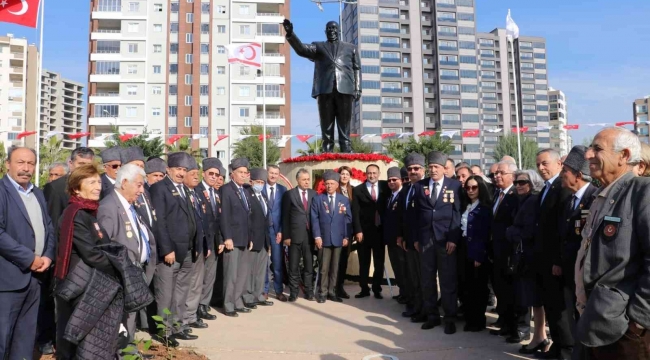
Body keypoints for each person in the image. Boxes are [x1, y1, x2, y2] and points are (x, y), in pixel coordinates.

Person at [576, 127, 650, 359]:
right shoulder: (601, 196)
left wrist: (637, 321)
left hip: (624, 331)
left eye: (597, 149)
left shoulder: (642, 192)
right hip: (595, 320)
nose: (588, 155)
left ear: (624, 156)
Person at [54, 164, 123, 359]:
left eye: (99, 182)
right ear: (76, 188)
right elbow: (92, 254)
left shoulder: (89, 212)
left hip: (91, 284)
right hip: (76, 286)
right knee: (74, 339)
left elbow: (105, 244)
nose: (98, 186)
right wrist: (119, 268)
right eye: (91, 182)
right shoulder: (75, 214)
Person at [0, 147, 56, 359]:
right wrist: (28, 258)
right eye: (20, 162)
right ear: (8, 164)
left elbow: (48, 227)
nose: (25, 168)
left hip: (35, 278)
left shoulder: (37, 193)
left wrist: (48, 256)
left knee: (25, 337)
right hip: (8, 279)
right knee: (3, 338)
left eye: (30, 163)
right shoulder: (2, 191)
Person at [40, 146, 95, 353]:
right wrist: (55, 257)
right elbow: (53, 225)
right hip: (62, 257)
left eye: (89, 165)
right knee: (53, 302)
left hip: (83, 257)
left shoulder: (93, 187)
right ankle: (47, 340)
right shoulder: (56, 188)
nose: (85, 169)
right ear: (71, 164)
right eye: (81, 164)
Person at [97, 163, 156, 350]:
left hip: (135, 271)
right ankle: (122, 352)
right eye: (138, 185)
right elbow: (106, 246)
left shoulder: (129, 205)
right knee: (121, 318)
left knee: (131, 315)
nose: (142, 190)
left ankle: (129, 351)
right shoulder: (109, 207)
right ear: (124, 182)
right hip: (121, 274)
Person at [282, 19, 361, 153]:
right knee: (326, 124)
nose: (331, 31)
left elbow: (357, 68)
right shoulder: (318, 47)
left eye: (334, 29)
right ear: (325, 32)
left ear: (338, 31)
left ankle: (346, 149)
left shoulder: (351, 48)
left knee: (344, 123)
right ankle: (327, 150)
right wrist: (291, 34)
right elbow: (301, 49)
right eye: (329, 29)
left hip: (345, 89)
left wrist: (357, 88)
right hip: (324, 90)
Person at [150, 152, 199, 343]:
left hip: (186, 249)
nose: (181, 173)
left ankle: (178, 326)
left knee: (181, 292)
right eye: (178, 169)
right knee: (166, 293)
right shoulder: (159, 188)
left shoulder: (184, 189)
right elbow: (159, 221)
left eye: (184, 170)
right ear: (168, 169)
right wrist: (166, 248)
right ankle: (164, 331)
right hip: (170, 251)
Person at [412, 151, 462, 334]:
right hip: (425, 240)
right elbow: (416, 215)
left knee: (448, 280)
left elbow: (456, 214)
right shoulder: (420, 186)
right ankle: (432, 316)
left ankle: (449, 318)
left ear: (443, 168)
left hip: (445, 240)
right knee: (427, 280)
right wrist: (416, 238)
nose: (433, 170)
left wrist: (453, 239)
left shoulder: (455, 186)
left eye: (436, 167)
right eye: (431, 167)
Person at [532, 148, 574, 359]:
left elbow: (562, 228)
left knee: (560, 309)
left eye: (545, 163)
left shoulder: (563, 187)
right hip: (543, 259)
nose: (541, 168)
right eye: (538, 164)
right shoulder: (546, 188)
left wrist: (557, 259)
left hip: (556, 261)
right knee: (551, 306)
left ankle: (565, 351)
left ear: (559, 164)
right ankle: (557, 347)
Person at [558, 146, 598, 359]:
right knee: (572, 319)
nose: (562, 175)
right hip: (568, 272)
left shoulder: (594, 199)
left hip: (585, 275)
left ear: (579, 175)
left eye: (565, 170)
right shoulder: (568, 200)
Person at [491, 160, 528, 342]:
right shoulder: (496, 194)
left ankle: (518, 328)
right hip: (497, 252)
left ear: (512, 176)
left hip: (511, 252)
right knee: (502, 291)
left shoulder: (515, 196)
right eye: (496, 173)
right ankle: (505, 324)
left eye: (501, 173)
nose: (497, 176)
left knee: (515, 293)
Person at [311, 170, 352, 303]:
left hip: (339, 239)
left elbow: (347, 219)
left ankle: (331, 291)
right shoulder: (318, 199)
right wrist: (317, 236)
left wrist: (346, 236)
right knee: (323, 267)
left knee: (335, 267)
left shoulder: (344, 200)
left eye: (332, 183)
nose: (329, 186)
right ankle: (322, 292)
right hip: (323, 239)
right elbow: (314, 219)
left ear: (337, 185)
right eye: (327, 183)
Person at [220, 158, 254, 316]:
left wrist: (250, 238)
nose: (243, 175)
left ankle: (238, 301)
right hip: (232, 239)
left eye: (245, 172)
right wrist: (227, 237)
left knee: (242, 274)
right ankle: (228, 304)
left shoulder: (246, 191)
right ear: (232, 174)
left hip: (245, 239)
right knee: (231, 274)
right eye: (240, 172)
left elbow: (248, 217)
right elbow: (224, 215)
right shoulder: (226, 190)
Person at [181, 160, 210, 332]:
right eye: (192, 174)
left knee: (196, 283)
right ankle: (183, 318)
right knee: (186, 284)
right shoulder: (182, 193)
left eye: (197, 175)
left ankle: (191, 316)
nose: (196, 177)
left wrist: (205, 243)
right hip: (187, 246)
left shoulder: (197, 193)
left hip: (199, 244)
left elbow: (203, 221)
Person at [461, 175, 492, 332]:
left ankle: (479, 320)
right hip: (464, 249)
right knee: (467, 287)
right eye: (468, 187)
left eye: (474, 187)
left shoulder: (485, 208)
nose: (471, 191)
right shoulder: (465, 206)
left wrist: (480, 255)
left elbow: (485, 234)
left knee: (478, 288)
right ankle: (469, 318)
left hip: (478, 252)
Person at [352, 164, 389, 299]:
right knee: (364, 262)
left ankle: (377, 288)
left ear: (379, 174)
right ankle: (364, 288)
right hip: (364, 232)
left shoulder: (385, 187)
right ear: (365, 174)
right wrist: (358, 230)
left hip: (380, 232)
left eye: (374, 173)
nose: (372, 175)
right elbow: (355, 212)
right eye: (369, 173)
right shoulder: (358, 190)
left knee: (379, 262)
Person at [398, 153, 426, 321]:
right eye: (410, 169)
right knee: (412, 277)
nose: (413, 171)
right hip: (408, 241)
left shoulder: (426, 187)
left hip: (420, 241)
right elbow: (404, 216)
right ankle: (415, 306)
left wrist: (417, 239)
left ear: (422, 169)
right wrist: (401, 236)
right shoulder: (407, 189)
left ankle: (424, 310)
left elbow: (423, 218)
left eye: (416, 168)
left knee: (423, 278)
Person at [282, 168, 317, 302]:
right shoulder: (290, 194)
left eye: (308, 179)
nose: (307, 182)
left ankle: (309, 292)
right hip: (294, 236)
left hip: (309, 237)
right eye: (304, 179)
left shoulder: (314, 194)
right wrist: (286, 236)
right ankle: (294, 292)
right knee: (293, 266)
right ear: (297, 180)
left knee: (309, 266)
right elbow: (285, 217)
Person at [244, 168, 274, 308]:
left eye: (262, 182)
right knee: (251, 270)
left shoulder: (263, 196)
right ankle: (248, 297)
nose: (260, 184)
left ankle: (259, 295)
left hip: (264, 239)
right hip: (253, 239)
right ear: (251, 182)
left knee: (262, 270)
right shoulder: (247, 194)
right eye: (258, 182)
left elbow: (266, 219)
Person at [198, 158, 224, 320]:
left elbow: (218, 220)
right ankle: (196, 307)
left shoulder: (216, 193)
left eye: (217, 174)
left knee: (210, 277)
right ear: (204, 174)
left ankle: (204, 306)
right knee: (199, 278)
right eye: (211, 174)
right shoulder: (197, 190)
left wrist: (220, 240)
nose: (214, 177)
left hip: (214, 241)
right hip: (202, 243)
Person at [382, 167, 408, 304]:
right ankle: (402, 292)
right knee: (396, 268)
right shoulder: (390, 196)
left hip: (400, 240)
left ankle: (406, 294)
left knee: (403, 268)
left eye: (394, 179)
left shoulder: (403, 194)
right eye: (389, 180)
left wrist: (401, 236)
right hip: (390, 240)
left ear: (401, 180)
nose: (391, 182)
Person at [262, 165, 288, 301]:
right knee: (264, 262)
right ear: (267, 173)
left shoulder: (283, 190)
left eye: (276, 173)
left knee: (277, 262)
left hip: (277, 231)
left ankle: (278, 290)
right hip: (263, 231)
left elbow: (285, 213)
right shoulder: (260, 188)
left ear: (279, 175)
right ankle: (264, 290)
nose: (273, 175)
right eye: (271, 173)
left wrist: (282, 231)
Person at [335, 165, 355, 299]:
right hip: (336, 229)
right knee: (335, 259)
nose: (344, 176)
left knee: (343, 260)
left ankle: (340, 286)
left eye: (347, 174)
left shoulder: (353, 191)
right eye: (342, 174)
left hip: (348, 230)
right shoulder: (334, 190)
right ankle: (332, 286)